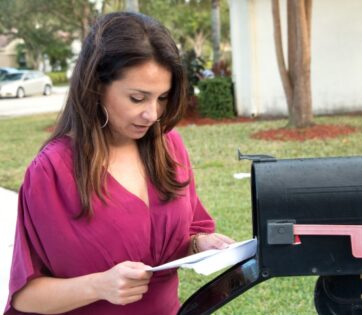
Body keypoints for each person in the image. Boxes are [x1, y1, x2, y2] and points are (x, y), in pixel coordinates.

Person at [4, 12, 234, 315]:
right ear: (97, 87)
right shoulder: (52, 173)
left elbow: (183, 236)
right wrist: (99, 285)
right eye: (137, 98)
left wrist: (200, 244)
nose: (152, 115)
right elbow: (25, 296)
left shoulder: (169, 146)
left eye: (162, 98)